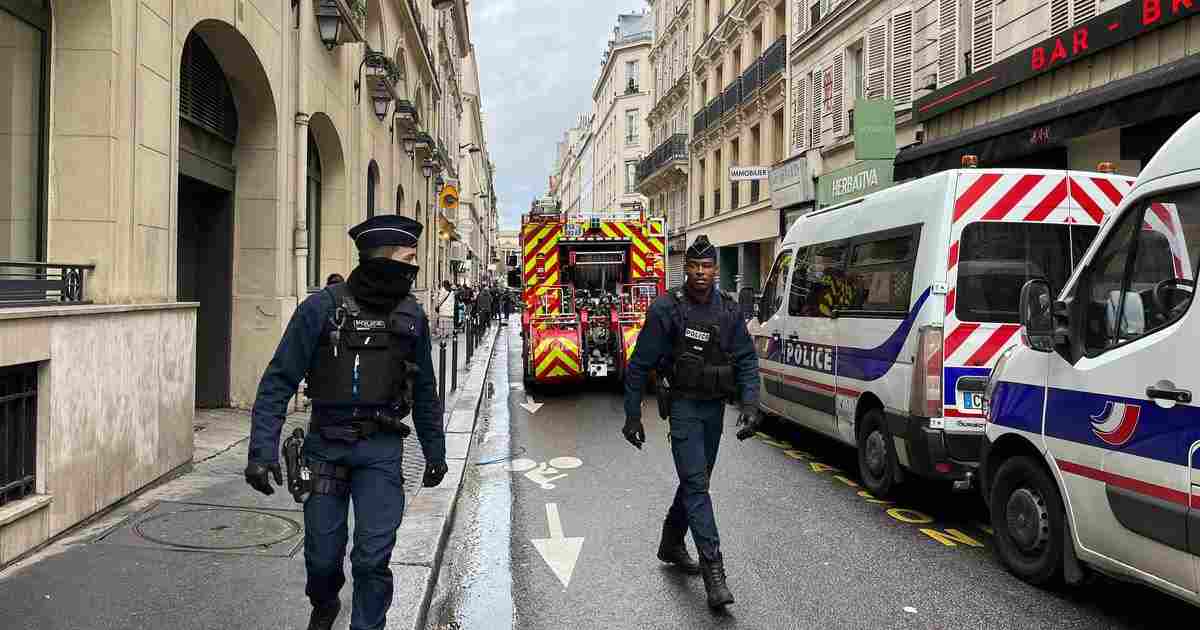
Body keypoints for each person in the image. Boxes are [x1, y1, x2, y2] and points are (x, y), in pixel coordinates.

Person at [243, 215, 448, 630]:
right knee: (322, 558)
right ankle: (324, 603)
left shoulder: (412, 317)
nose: (414, 268)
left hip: (381, 450)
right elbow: (278, 380)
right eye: (409, 259)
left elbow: (425, 389)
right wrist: (261, 451)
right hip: (325, 448)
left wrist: (435, 451)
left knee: (372, 559)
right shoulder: (320, 309)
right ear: (385, 260)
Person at [621, 234, 760, 610]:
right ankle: (715, 574)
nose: (700, 273)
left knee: (696, 480)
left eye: (707, 267)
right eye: (694, 267)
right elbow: (639, 366)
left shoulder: (729, 311)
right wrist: (632, 414)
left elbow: (746, 359)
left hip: (713, 408)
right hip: (682, 406)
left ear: (716, 270)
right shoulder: (668, 309)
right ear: (688, 270)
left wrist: (751, 404)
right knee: (697, 484)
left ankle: (670, 542)